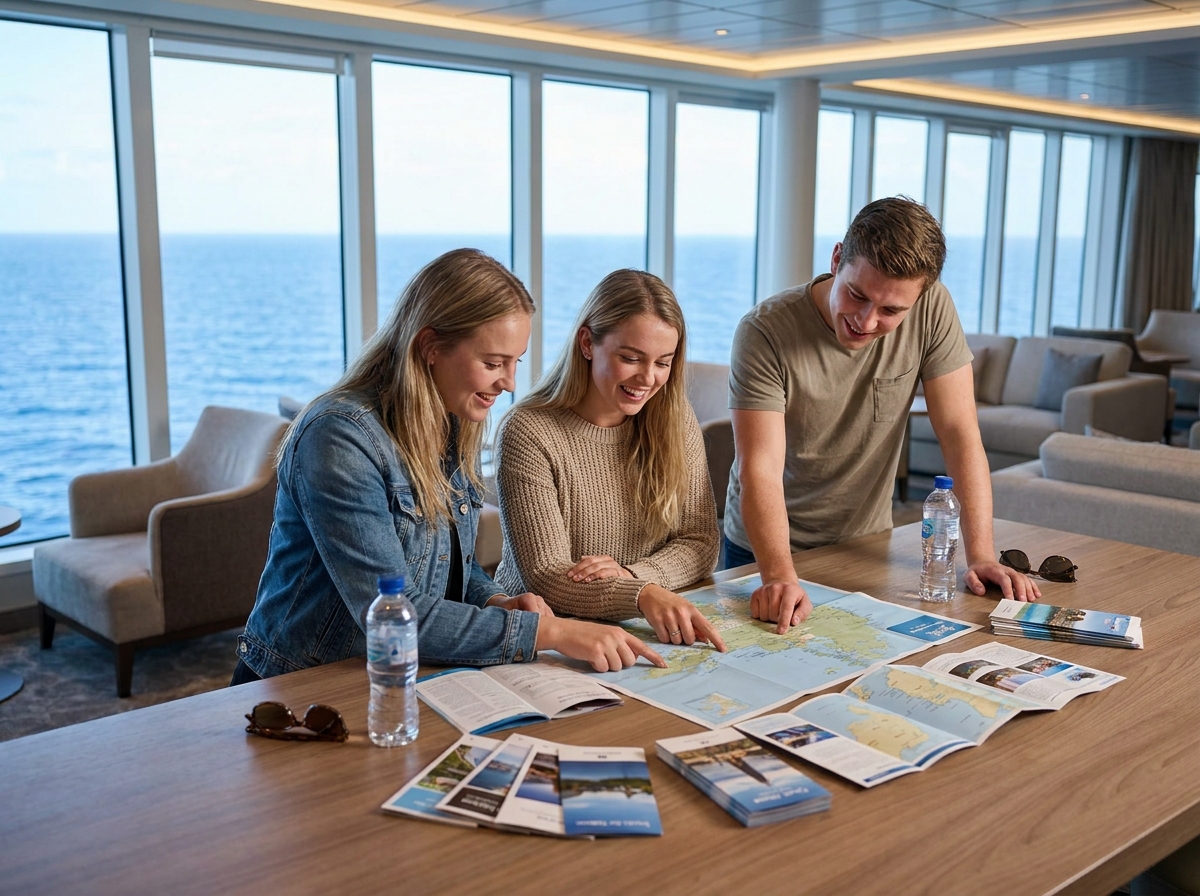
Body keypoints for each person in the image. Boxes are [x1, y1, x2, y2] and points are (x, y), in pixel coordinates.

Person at [234, 249, 665, 683]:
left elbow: (443, 563)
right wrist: (548, 632)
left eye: (515, 361)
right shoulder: (339, 437)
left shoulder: (451, 417)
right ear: (430, 347)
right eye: (493, 363)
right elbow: (396, 611)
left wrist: (493, 600)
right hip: (302, 685)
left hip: (392, 679)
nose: (510, 383)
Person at [723, 197, 1039, 633]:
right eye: (857, 295)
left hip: (866, 542)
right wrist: (778, 575)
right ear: (837, 260)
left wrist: (981, 555)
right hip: (765, 551)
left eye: (891, 311)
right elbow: (759, 466)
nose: (866, 321)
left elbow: (959, 433)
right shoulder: (764, 332)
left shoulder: (932, 308)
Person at [493, 269, 726, 651]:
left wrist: (637, 578)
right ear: (587, 342)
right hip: (548, 638)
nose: (648, 379)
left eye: (663, 362)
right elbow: (546, 576)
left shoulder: (675, 416)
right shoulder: (528, 431)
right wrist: (640, 595)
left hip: (636, 629)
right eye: (631, 358)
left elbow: (701, 541)